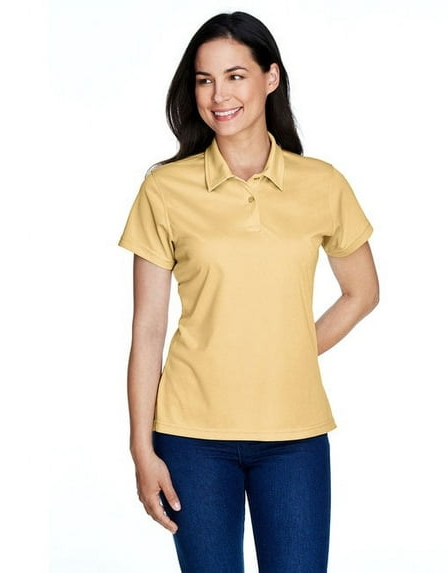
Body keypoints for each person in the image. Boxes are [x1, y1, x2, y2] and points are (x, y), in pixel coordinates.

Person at [118, 11, 379, 573]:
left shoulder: (321, 183)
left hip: (294, 435)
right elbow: (148, 329)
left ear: (271, 77)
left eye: (235, 76)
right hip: (190, 437)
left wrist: (289, 351)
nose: (219, 95)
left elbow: (361, 293)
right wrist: (141, 448)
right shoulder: (165, 189)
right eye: (205, 80)